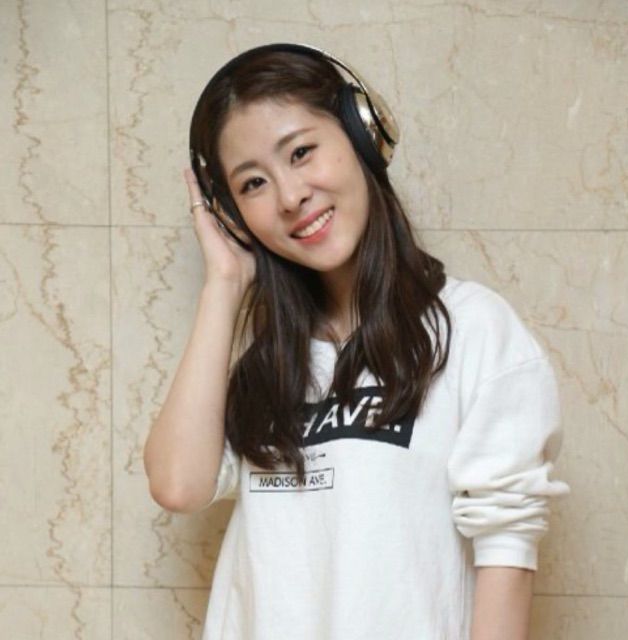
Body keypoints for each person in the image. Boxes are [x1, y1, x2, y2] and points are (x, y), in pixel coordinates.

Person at [143, 43, 569, 640]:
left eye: (301, 152)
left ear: (363, 135)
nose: (290, 196)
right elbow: (178, 486)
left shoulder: (474, 330)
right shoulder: (268, 365)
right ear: (233, 215)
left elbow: (507, 552)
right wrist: (224, 282)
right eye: (254, 183)